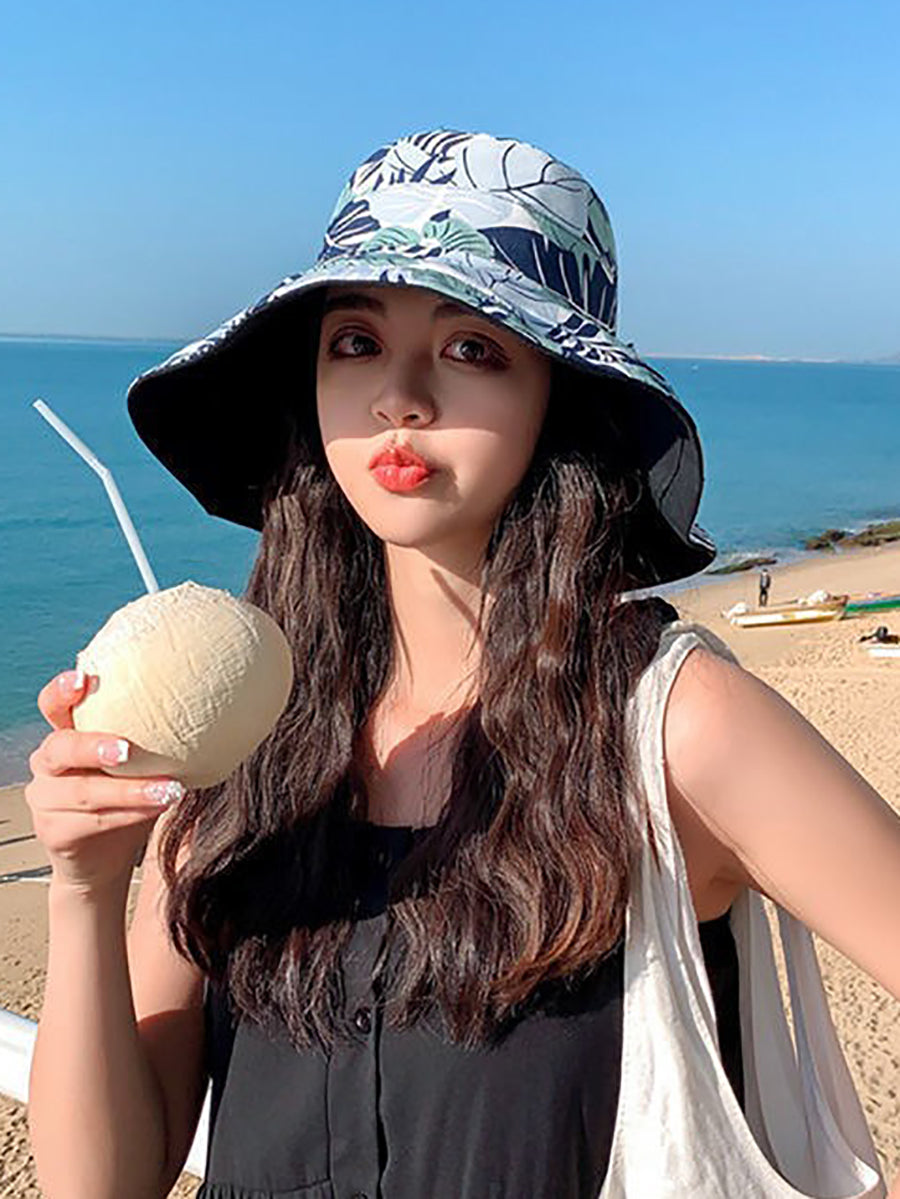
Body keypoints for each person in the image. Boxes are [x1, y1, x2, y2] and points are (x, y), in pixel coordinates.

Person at [24, 131, 900, 1199]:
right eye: (355, 342)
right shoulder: (239, 735)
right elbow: (102, 1182)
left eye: (472, 347)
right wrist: (85, 885)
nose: (399, 397)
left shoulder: (672, 724)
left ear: (556, 398)